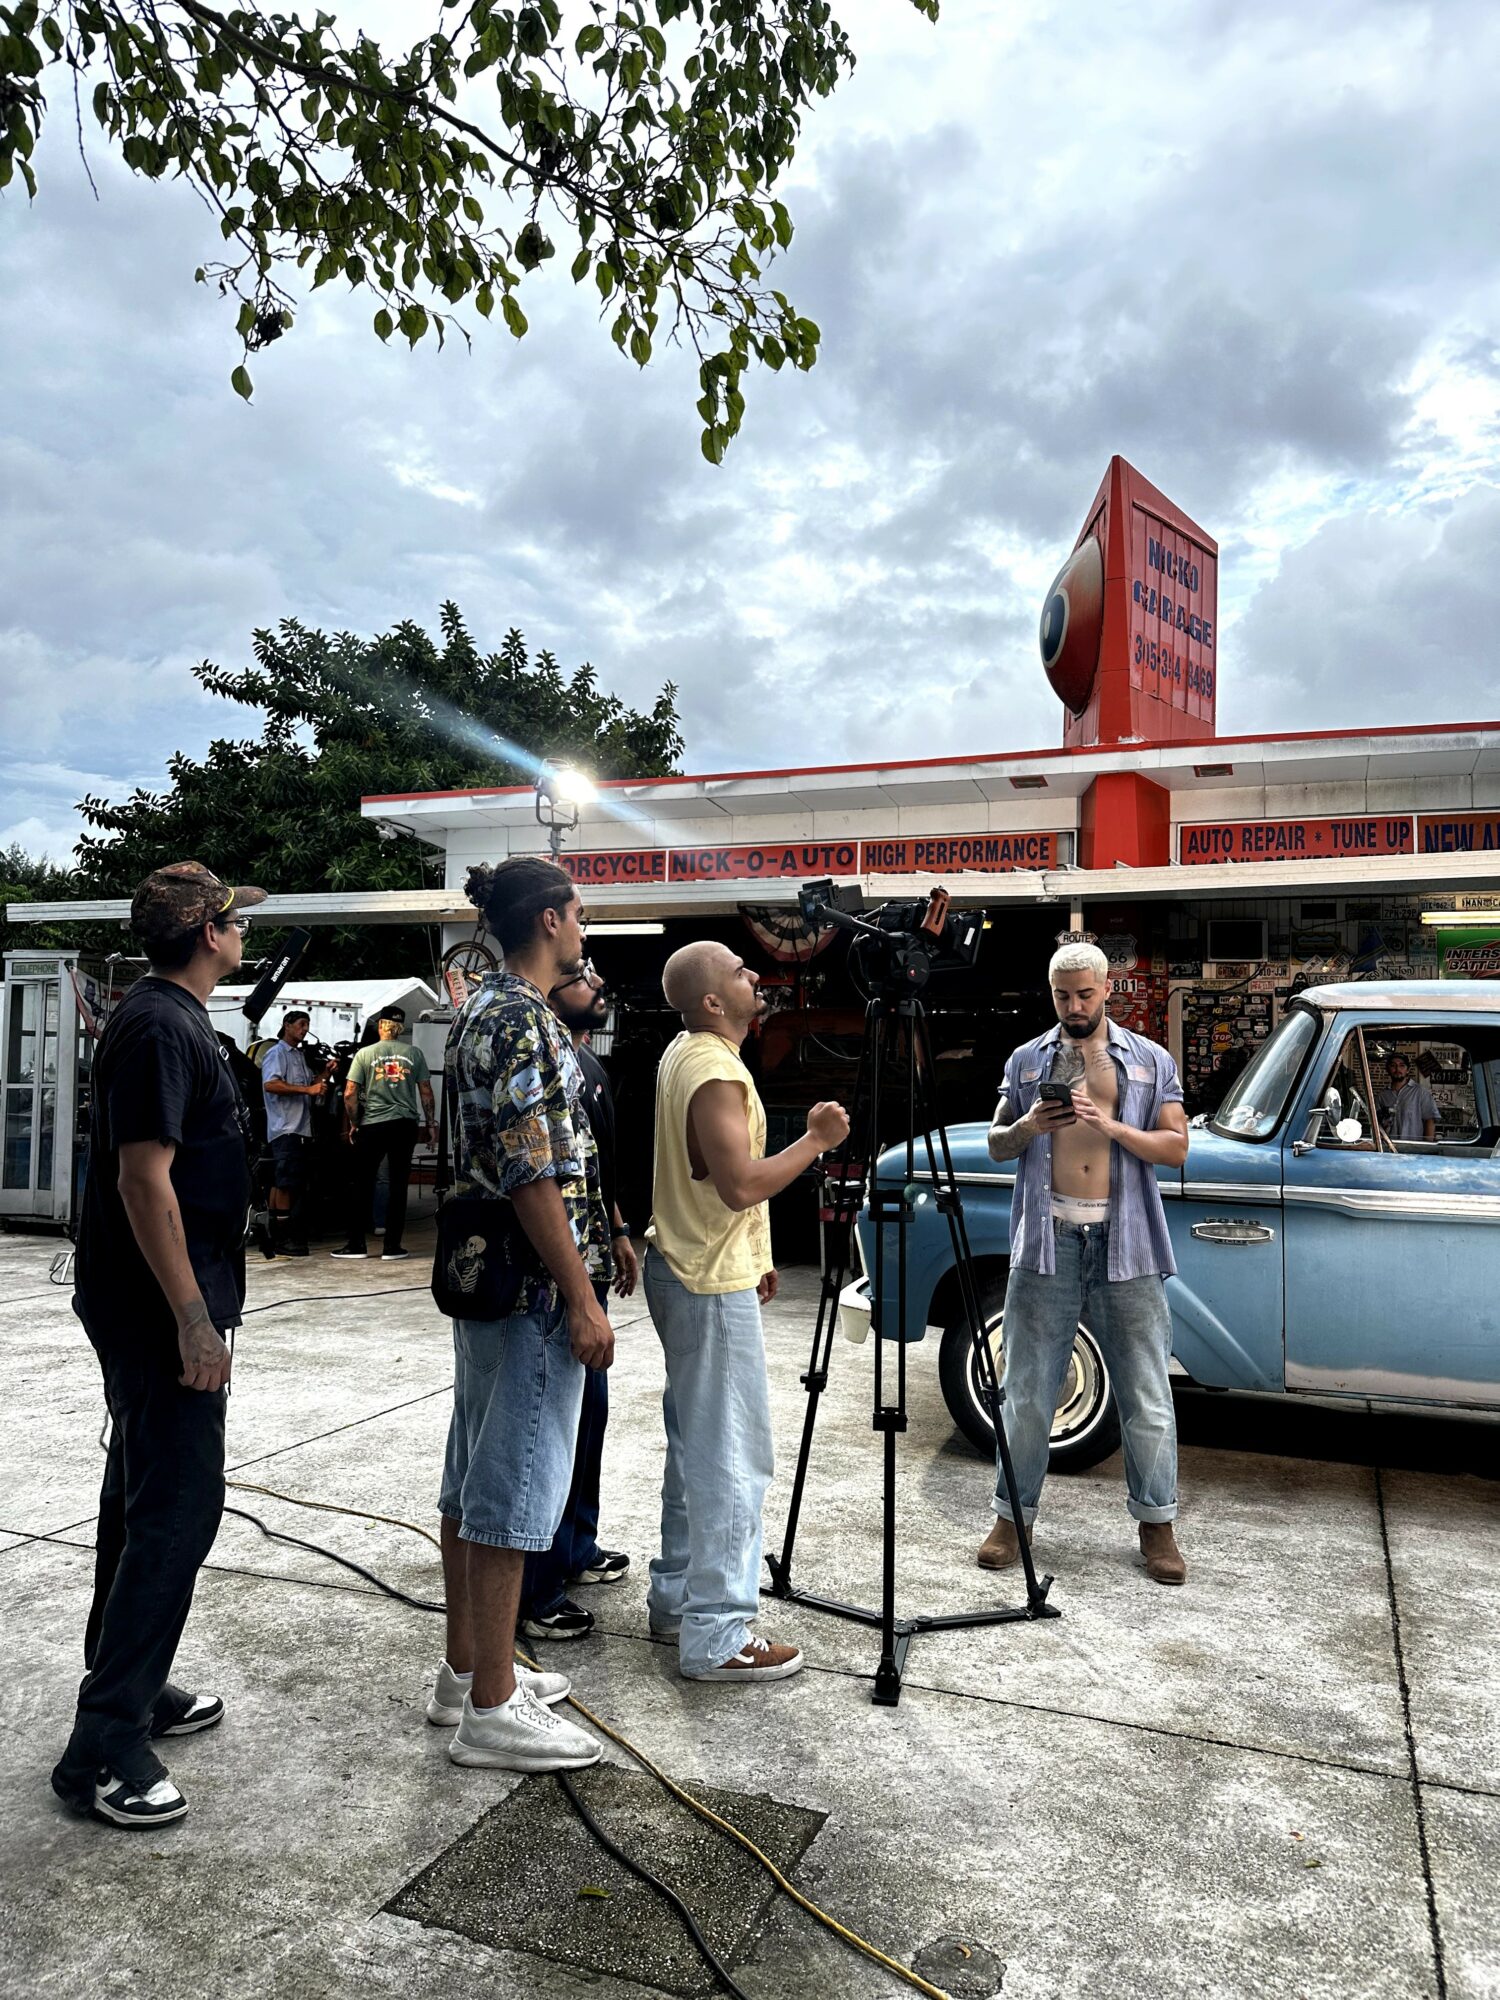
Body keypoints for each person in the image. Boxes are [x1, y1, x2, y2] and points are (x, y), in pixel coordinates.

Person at [52, 860, 264, 1828]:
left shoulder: (168, 1020)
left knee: (141, 1499)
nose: (243, 933)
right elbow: (144, 1180)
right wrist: (190, 1316)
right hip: (155, 1307)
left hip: (160, 1297)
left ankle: (128, 1683)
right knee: (177, 1509)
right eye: (235, 921)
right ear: (208, 932)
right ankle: (104, 1746)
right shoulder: (159, 1026)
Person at [427, 857, 612, 1772]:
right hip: (533, 1287)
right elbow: (534, 1172)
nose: (582, 929)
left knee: (472, 1481)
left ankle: (468, 1671)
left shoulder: (479, 1009)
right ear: (549, 920)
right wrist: (581, 1296)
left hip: (489, 1280)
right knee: (512, 1491)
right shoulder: (524, 1019)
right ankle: (492, 1708)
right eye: (577, 914)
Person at [643, 941, 849, 1682]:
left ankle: (678, 1601)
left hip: (690, 1264)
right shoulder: (715, 1069)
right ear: (711, 1001)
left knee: (696, 1450)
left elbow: (705, 1178)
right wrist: (816, 1142)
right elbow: (737, 1184)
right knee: (733, 1458)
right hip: (704, 1280)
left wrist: (755, 1253)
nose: (754, 975)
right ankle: (719, 1634)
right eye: (739, 970)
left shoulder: (687, 1054)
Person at [981, 942, 1191, 1585]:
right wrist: (1028, 1127)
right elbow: (996, 1143)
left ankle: (1157, 1524)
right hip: (1047, 1240)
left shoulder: (1148, 1059)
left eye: (1084, 994)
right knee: (1026, 1391)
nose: (1074, 1006)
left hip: (1127, 1242)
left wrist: (1112, 1127)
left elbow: (1177, 1147)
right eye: (1062, 995)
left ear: (1106, 990)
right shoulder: (1028, 1060)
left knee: (1146, 1391)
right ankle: (1011, 1519)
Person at [518, 959, 638, 1642]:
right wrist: (577, 1292)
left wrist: (617, 1229)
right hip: (556, 1275)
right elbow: (534, 1173)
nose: (596, 986)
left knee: (589, 1414)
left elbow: (592, 1168)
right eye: (582, 978)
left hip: (590, 1257)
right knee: (552, 1428)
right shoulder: (537, 1053)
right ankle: (537, 1586)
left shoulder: (586, 1063)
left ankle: (576, 1547)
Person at [331, 1005, 436, 1261]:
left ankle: (356, 1245)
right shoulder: (414, 1053)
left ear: (381, 1026)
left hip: (373, 1124)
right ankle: (392, 1247)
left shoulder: (364, 1054)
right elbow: (425, 1091)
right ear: (399, 1028)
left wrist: (354, 1122)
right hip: (404, 1124)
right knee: (399, 1185)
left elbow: (350, 1093)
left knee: (362, 1183)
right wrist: (431, 1124)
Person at [260, 1009, 334, 1256]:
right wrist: (307, 1091)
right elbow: (271, 1084)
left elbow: (310, 1084)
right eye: (301, 1024)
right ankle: (283, 1237)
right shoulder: (277, 1053)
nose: (305, 1030)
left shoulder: (299, 1056)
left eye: (307, 1025)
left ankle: (276, 1232)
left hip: (299, 1127)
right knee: (286, 1184)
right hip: (286, 1127)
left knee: (283, 1181)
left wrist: (325, 1074)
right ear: (287, 1025)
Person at [1378, 1053, 1439, 1141]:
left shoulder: (1420, 1092)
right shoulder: (1382, 1096)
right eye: (1393, 1066)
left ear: (1407, 1070)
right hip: (1388, 1146)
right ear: (1388, 1069)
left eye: (1402, 1066)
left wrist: (1427, 1145)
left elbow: (1429, 1120)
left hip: (1413, 1147)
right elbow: (1378, 1124)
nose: (1397, 1069)